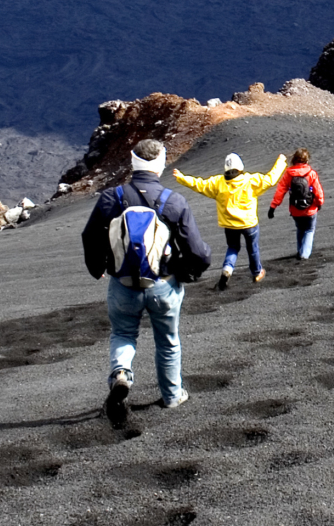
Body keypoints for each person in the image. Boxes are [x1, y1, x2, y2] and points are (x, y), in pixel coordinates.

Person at [81, 139, 212, 411]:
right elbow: (197, 252)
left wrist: (98, 268)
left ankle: (121, 373)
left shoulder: (111, 198)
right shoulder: (174, 202)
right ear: (161, 163)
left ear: (133, 161)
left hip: (122, 284)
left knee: (123, 334)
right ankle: (172, 396)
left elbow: (90, 236)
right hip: (163, 285)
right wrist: (191, 270)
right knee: (167, 343)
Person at [174, 151, 286, 286]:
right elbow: (270, 179)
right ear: (240, 167)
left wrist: (181, 177)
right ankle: (257, 272)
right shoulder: (250, 180)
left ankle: (228, 268)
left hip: (229, 225)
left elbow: (199, 184)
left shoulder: (218, 182)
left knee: (233, 247)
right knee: (252, 248)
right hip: (248, 223)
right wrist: (281, 161)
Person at [268, 148, 325, 259]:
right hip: (310, 209)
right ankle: (304, 254)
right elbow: (318, 191)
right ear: (307, 161)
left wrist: (273, 206)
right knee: (309, 230)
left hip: (295, 209)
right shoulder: (311, 173)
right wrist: (320, 203)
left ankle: (300, 251)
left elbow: (280, 191)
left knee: (300, 229)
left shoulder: (288, 174)